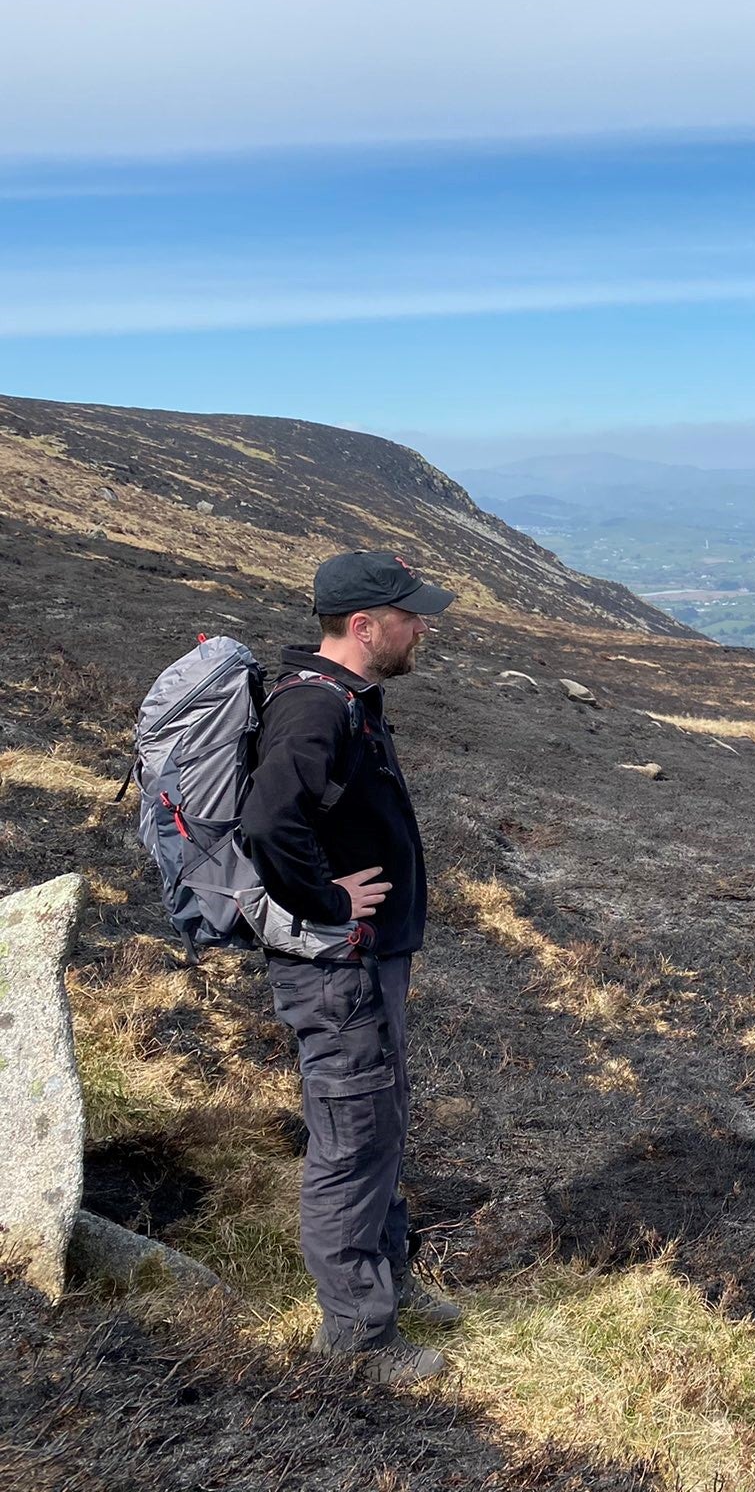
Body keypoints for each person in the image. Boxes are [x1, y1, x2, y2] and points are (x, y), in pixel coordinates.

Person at [242, 550, 461, 1384]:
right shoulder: (313, 711)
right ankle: (357, 1341)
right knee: (352, 1136)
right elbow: (268, 826)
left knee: (381, 1123)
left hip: (368, 962)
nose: (424, 625)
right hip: (339, 968)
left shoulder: (346, 700)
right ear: (364, 626)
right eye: (410, 614)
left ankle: (388, 1282)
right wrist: (329, 902)